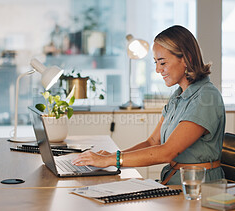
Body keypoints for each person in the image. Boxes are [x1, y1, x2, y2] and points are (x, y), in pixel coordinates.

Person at [72, 25, 226, 185]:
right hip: (174, 180)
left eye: (162, 62)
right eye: (156, 63)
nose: (158, 70)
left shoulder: (206, 97)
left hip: (198, 187)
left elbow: (167, 152)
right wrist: (110, 157)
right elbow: (153, 141)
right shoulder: (179, 95)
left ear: (187, 58)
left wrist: (112, 160)